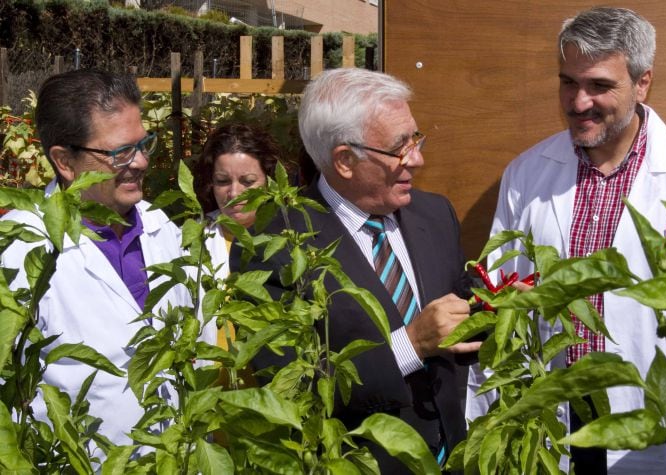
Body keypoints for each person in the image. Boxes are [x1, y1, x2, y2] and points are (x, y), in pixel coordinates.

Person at [465, 7, 666, 474]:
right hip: (552, 435)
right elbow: (501, 309)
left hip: (661, 437)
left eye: (599, 86)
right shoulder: (526, 173)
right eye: (568, 82)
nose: (579, 102)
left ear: (642, 83)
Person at [232, 68, 479, 472]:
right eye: (401, 147)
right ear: (344, 161)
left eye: (416, 138)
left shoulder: (434, 214)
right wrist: (410, 345)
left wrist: (496, 302)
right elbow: (290, 391)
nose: (417, 159)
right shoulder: (274, 245)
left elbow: (455, 316)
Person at [0, 69, 214, 457]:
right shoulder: (19, 247)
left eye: (143, 144)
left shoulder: (160, 227)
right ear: (65, 161)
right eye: (119, 152)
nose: (141, 162)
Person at [193, 123, 280, 280]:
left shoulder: (290, 234)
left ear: (270, 181)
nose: (234, 194)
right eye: (222, 181)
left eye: (247, 181)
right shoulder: (193, 238)